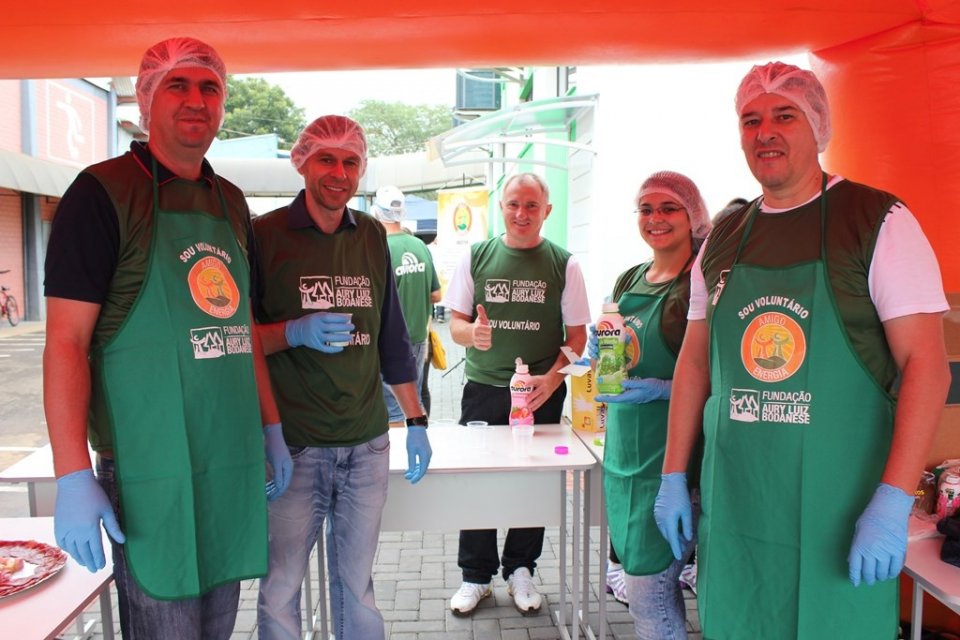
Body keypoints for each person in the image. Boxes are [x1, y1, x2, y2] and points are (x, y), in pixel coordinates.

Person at [654, 61, 950, 639]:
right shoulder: (721, 238)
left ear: (817, 125)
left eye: (783, 116)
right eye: (750, 119)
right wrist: (672, 476)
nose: (765, 132)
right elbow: (695, 364)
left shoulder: (877, 221)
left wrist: (892, 501)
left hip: (839, 513)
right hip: (736, 508)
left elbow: (927, 368)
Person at [42, 37, 293, 639]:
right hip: (148, 467)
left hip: (230, 459)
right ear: (148, 99)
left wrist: (272, 426)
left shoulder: (231, 202)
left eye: (210, 88)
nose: (196, 100)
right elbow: (66, 343)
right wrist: (72, 471)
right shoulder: (101, 193)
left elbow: (240, 331)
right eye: (178, 85)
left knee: (218, 626)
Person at [253, 115, 433, 640]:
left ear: (361, 171)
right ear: (302, 162)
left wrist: (416, 419)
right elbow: (239, 339)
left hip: (366, 447)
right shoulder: (266, 234)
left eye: (350, 162)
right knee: (281, 586)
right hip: (294, 444)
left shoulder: (372, 235)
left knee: (356, 587)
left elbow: (393, 340)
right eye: (326, 160)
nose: (338, 173)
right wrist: (294, 330)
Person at [443, 172, 590, 615]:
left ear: (546, 210)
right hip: (485, 388)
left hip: (540, 393)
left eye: (531, 205)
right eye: (512, 204)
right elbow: (455, 326)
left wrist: (554, 378)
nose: (521, 214)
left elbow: (578, 338)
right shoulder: (477, 257)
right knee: (478, 481)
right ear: (500, 207)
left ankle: (521, 569)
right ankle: (475, 576)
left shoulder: (565, 264)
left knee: (535, 484)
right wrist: (475, 334)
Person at [588, 171, 711, 638]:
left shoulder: (695, 286)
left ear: (692, 215)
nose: (655, 218)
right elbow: (617, 340)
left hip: (672, 460)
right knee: (642, 586)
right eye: (645, 209)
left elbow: (712, 372)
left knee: (650, 593)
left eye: (668, 208)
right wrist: (597, 350)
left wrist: (660, 388)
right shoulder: (630, 278)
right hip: (625, 456)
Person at [371, 185, 441, 426]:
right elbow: (436, 294)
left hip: (390, 341)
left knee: (396, 409)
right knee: (415, 399)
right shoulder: (420, 246)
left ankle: (405, 457)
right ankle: (422, 444)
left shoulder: (379, 249)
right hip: (419, 337)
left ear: (377, 213)